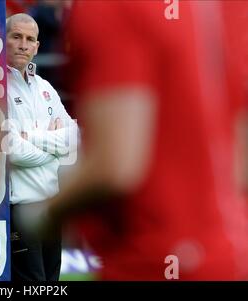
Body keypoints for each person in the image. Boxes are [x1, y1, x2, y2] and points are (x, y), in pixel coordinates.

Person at [38, 0, 248, 280]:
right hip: (229, 253)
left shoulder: (114, 8)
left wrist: (45, 214)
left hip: (151, 259)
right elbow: (239, 159)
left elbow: (115, 166)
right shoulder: (223, 10)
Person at [5, 13, 78, 281]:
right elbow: (12, 150)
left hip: (50, 207)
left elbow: (74, 139)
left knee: (51, 282)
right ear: (4, 40)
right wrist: (53, 149)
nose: (24, 44)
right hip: (20, 209)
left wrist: (33, 137)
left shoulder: (44, 87)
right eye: (17, 37)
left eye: (30, 39)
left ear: (37, 46)